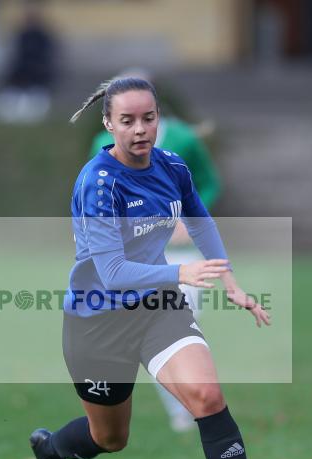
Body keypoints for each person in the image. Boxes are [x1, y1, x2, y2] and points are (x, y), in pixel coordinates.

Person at [29, 77, 279, 459]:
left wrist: (230, 282)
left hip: (156, 308)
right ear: (108, 124)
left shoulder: (172, 166)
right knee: (110, 437)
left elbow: (200, 217)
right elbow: (114, 272)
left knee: (206, 395)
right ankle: (52, 448)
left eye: (148, 118)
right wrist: (181, 270)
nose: (140, 129)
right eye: (127, 121)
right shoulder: (96, 183)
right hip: (96, 324)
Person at [88, 70, 221, 433]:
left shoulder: (182, 138)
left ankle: (190, 401)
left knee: (183, 320)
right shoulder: (102, 141)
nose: (137, 124)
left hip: (183, 254)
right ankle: (182, 407)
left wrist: (184, 219)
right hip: (133, 262)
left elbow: (208, 184)